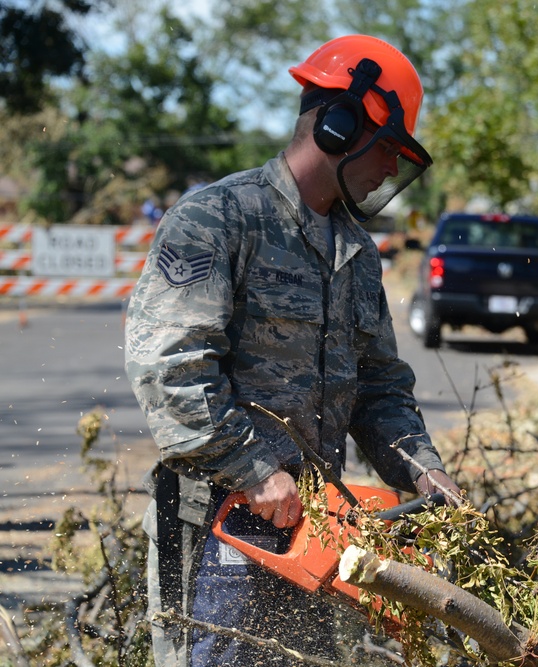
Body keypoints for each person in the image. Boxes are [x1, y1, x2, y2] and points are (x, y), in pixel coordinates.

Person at [125, 34, 461, 666]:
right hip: (216, 531)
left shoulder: (355, 254)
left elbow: (381, 388)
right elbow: (169, 364)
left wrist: (425, 472)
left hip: (314, 535)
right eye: (388, 148)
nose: (391, 169)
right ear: (338, 124)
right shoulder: (219, 218)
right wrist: (252, 469)